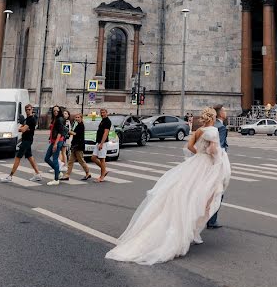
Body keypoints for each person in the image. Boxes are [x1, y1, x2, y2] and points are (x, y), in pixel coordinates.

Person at [105, 107, 231, 265]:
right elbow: (213, 150)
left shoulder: (199, 130)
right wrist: (219, 155)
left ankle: (191, 232)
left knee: (186, 196)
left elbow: (189, 147)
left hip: (195, 163)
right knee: (203, 198)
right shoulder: (212, 130)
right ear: (213, 117)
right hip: (206, 166)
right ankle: (190, 232)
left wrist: (199, 153)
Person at [3, 104, 42, 182]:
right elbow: (24, 129)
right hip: (26, 140)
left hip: (27, 141)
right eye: (27, 109)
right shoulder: (28, 119)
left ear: (32, 109)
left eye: (29, 109)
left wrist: (21, 128)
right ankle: (38, 174)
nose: (28, 111)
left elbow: (22, 129)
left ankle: (10, 176)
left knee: (18, 157)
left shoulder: (31, 119)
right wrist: (23, 128)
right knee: (30, 157)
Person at [206, 104, 228, 229]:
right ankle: (212, 220)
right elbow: (221, 147)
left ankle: (206, 218)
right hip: (217, 162)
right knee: (218, 191)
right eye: (224, 110)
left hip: (206, 162)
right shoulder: (221, 127)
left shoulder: (211, 126)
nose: (226, 112)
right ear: (220, 114)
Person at [63, 112, 91, 181]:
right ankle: (67, 175)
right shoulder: (78, 125)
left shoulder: (81, 126)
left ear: (81, 118)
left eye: (78, 117)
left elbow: (76, 134)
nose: (77, 118)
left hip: (79, 146)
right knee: (70, 161)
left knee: (81, 160)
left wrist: (68, 131)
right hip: (75, 146)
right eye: (76, 117)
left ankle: (88, 173)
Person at [45, 106, 66, 185]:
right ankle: (59, 172)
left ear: (59, 111)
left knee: (55, 160)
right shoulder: (54, 119)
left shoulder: (59, 119)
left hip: (57, 142)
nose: (56, 112)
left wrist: (55, 144)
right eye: (54, 111)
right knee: (46, 158)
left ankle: (56, 179)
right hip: (53, 141)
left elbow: (60, 133)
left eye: (57, 111)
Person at [92, 108, 112, 182]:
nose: (102, 114)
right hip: (98, 142)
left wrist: (101, 143)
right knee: (93, 158)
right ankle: (104, 171)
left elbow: (105, 133)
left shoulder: (107, 121)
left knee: (102, 159)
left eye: (103, 112)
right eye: (101, 112)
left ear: (107, 113)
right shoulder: (102, 120)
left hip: (102, 143)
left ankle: (102, 177)